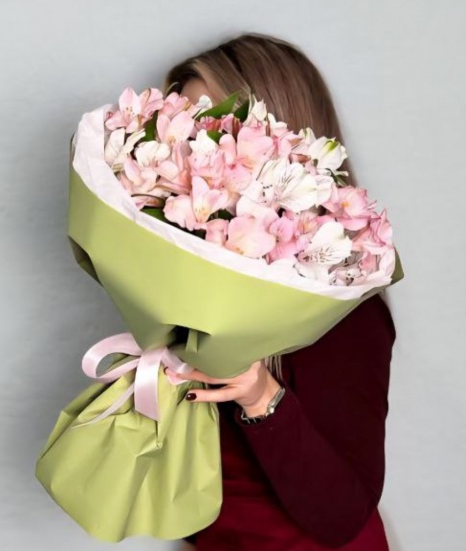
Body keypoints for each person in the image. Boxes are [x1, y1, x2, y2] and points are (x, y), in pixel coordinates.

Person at [163, 33, 396, 551]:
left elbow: (341, 516)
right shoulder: (193, 285)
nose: (199, 155)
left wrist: (261, 397)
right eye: (189, 131)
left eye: (219, 132)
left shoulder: (346, 312)